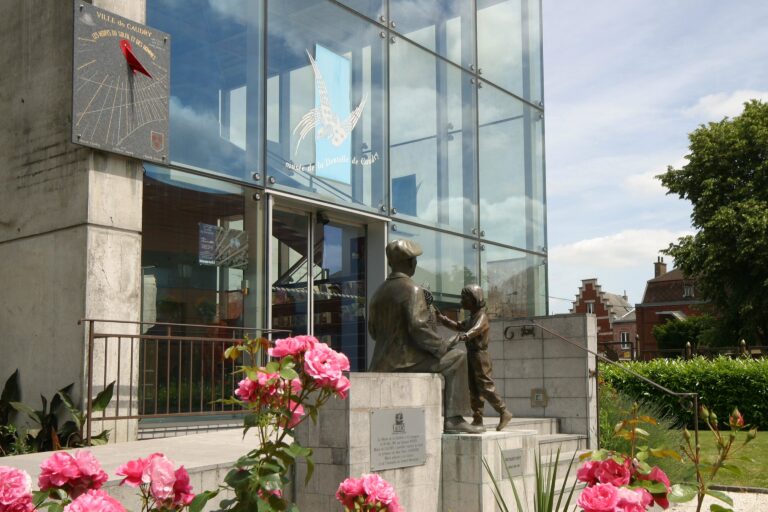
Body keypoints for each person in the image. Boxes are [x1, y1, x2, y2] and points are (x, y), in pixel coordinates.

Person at [368, 240, 482, 434]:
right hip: (403, 363)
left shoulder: (378, 293)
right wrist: (442, 346)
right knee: (458, 358)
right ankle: (454, 419)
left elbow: (373, 331)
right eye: (414, 260)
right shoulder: (412, 289)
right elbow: (418, 328)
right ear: (411, 263)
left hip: (380, 362)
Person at [437, 285, 513, 431]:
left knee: (485, 386)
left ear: (473, 299)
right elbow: (459, 325)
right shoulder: (471, 317)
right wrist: (443, 319)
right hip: (471, 355)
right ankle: (477, 419)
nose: (461, 301)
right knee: (474, 389)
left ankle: (504, 411)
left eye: (464, 298)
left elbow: (476, 329)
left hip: (480, 356)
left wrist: (464, 336)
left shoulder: (481, 316)